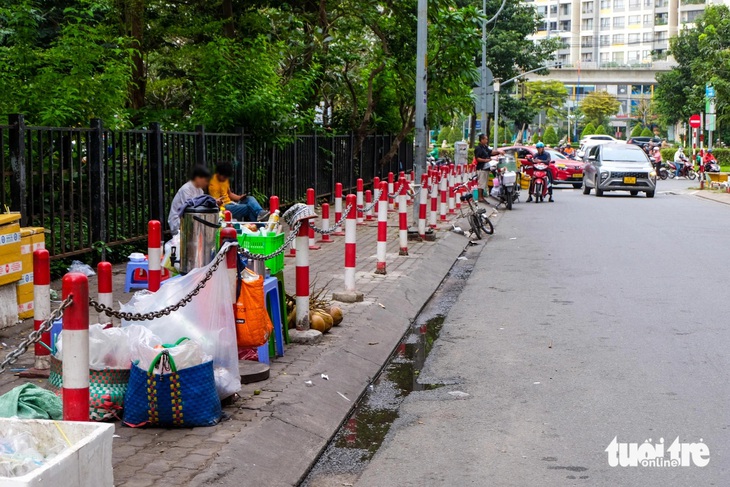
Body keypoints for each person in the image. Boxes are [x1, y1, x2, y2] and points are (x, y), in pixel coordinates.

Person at [167, 165, 213, 234]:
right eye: (205, 180)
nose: (206, 183)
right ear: (198, 178)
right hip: (179, 222)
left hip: (191, 220)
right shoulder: (186, 189)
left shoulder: (200, 190)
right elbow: (189, 209)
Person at [474, 133, 503, 202]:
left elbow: (491, 152)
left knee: (484, 183)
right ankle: (480, 197)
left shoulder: (485, 147)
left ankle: (482, 197)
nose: (487, 141)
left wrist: (499, 152)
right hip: (481, 168)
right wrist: (485, 160)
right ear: (482, 140)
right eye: (486, 139)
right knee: (481, 183)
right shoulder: (478, 148)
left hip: (486, 167)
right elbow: (477, 158)